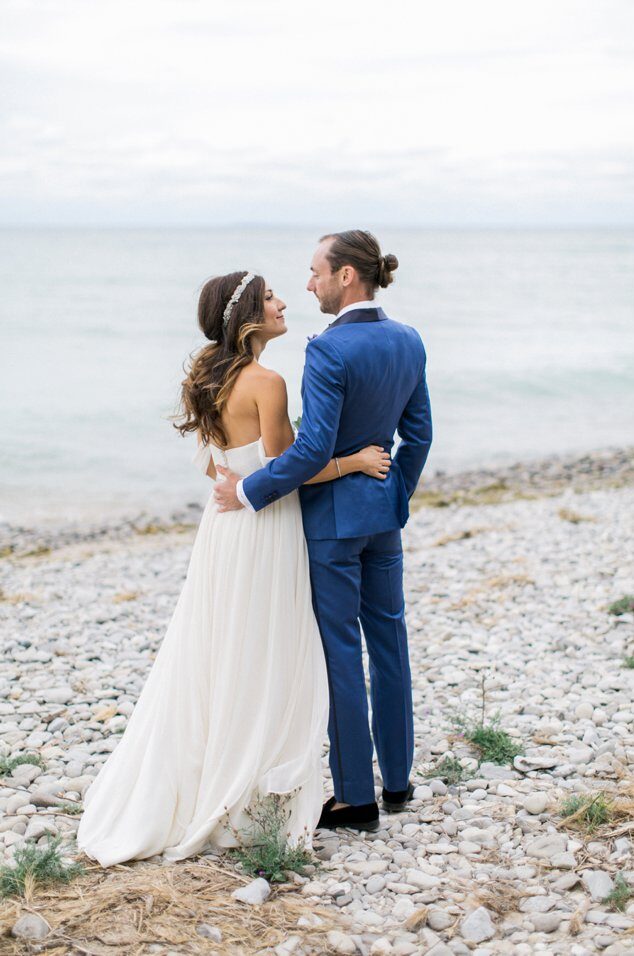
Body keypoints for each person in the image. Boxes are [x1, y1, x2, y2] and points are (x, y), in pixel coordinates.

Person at [77, 270, 391, 866]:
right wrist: (353, 461)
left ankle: (212, 775)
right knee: (266, 650)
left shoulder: (207, 378)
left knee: (219, 647)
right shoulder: (266, 382)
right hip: (265, 528)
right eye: (270, 297)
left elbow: (213, 468)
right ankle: (247, 789)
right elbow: (294, 469)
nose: (282, 302)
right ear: (247, 314)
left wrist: (239, 481)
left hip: (221, 528)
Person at [214, 230, 432, 833]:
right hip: (382, 515)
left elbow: (312, 450)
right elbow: (419, 436)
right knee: (389, 644)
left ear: (346, 276)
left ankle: (356, 798)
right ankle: (398, 782)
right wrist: (395, 495)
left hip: (333, 524)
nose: (308, 285)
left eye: (315, 272)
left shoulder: (329, 350)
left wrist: (249, 490)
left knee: (340, 650)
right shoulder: (409, 339)